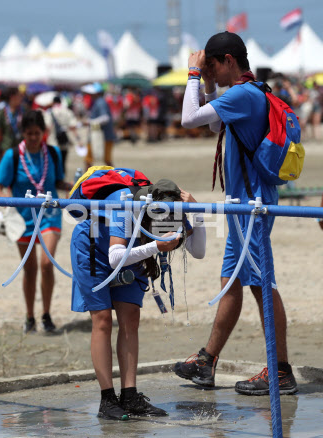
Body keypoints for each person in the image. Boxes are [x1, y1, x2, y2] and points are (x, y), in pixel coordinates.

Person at [174, 31, 298, 396]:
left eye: (212, 66)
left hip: (252, 207)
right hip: (244, 205)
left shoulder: (243, 94)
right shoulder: (251, 92)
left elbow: (188, 119)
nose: (209, 72)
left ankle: (281, 371)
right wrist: (208, 82)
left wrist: (194, 76)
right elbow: (213, 123)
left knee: (262, 284)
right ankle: (207, 361)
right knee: (231, 282)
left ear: (229, 60)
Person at [70, 175, 206, 420]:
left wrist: (196, 212)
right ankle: (107, 399)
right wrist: (155, 247)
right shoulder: (127, 206)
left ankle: (130, 396)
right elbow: (115, 257)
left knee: (131, 317)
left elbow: (198, 252)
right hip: (94, 248)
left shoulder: (178, 210)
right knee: (102, 319)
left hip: (134, 251)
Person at [0, 110, 73, 334]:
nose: (34, 138)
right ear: (23, 133)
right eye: (29, 134)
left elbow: (57, 181)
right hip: (22, 219)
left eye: (37, 133)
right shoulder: (12, 156)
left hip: (49, 217)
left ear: (44, 133)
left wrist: (78, 186)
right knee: (29, 269)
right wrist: (6, 202)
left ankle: (46, 314)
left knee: (47, 264)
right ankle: (30, 316)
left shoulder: (53, 153)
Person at [82, 83, 115, 169]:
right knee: (100, 159)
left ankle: (87, 180)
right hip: (101, 135)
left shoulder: (100, 102)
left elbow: (105, 118)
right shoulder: (98, 102)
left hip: (102, 136)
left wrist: (90, 122)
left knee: (103, 160)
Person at [44, 95, 81, 174]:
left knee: (54, 161)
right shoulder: (67, 111)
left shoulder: (49, 112)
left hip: (53, 141)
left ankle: (55, 179)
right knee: (63, 161)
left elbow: (47, 127)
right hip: (65, 140)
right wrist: (78, 139)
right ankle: (62, 177)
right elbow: (73, 126)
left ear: (53, 102)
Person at [0, 87, 23, 165]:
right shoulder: (2, 113)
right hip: (7, 148)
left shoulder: (23, 110)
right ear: (12, 97)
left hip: (22, 148)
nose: (21, 98)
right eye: (19, 95)